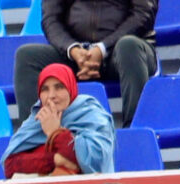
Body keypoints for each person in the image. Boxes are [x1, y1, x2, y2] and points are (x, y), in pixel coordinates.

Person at [19, 0, 158, 124]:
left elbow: (143, 15)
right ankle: (32, 134)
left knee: (129, 45)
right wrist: (72, 49)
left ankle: (134, 129)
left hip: (123, 52)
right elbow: (50, 19)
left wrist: (102, 48)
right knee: (28, 56)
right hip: (76, 55)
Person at [6, 62, 115, 177]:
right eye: (45, 89)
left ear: (70, 88)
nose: (51, 95)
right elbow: (10, 165)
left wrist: (55, 132)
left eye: (59, 87)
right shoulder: (36, 120)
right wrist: (55, 159)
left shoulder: (92, 115)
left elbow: (95, 161)